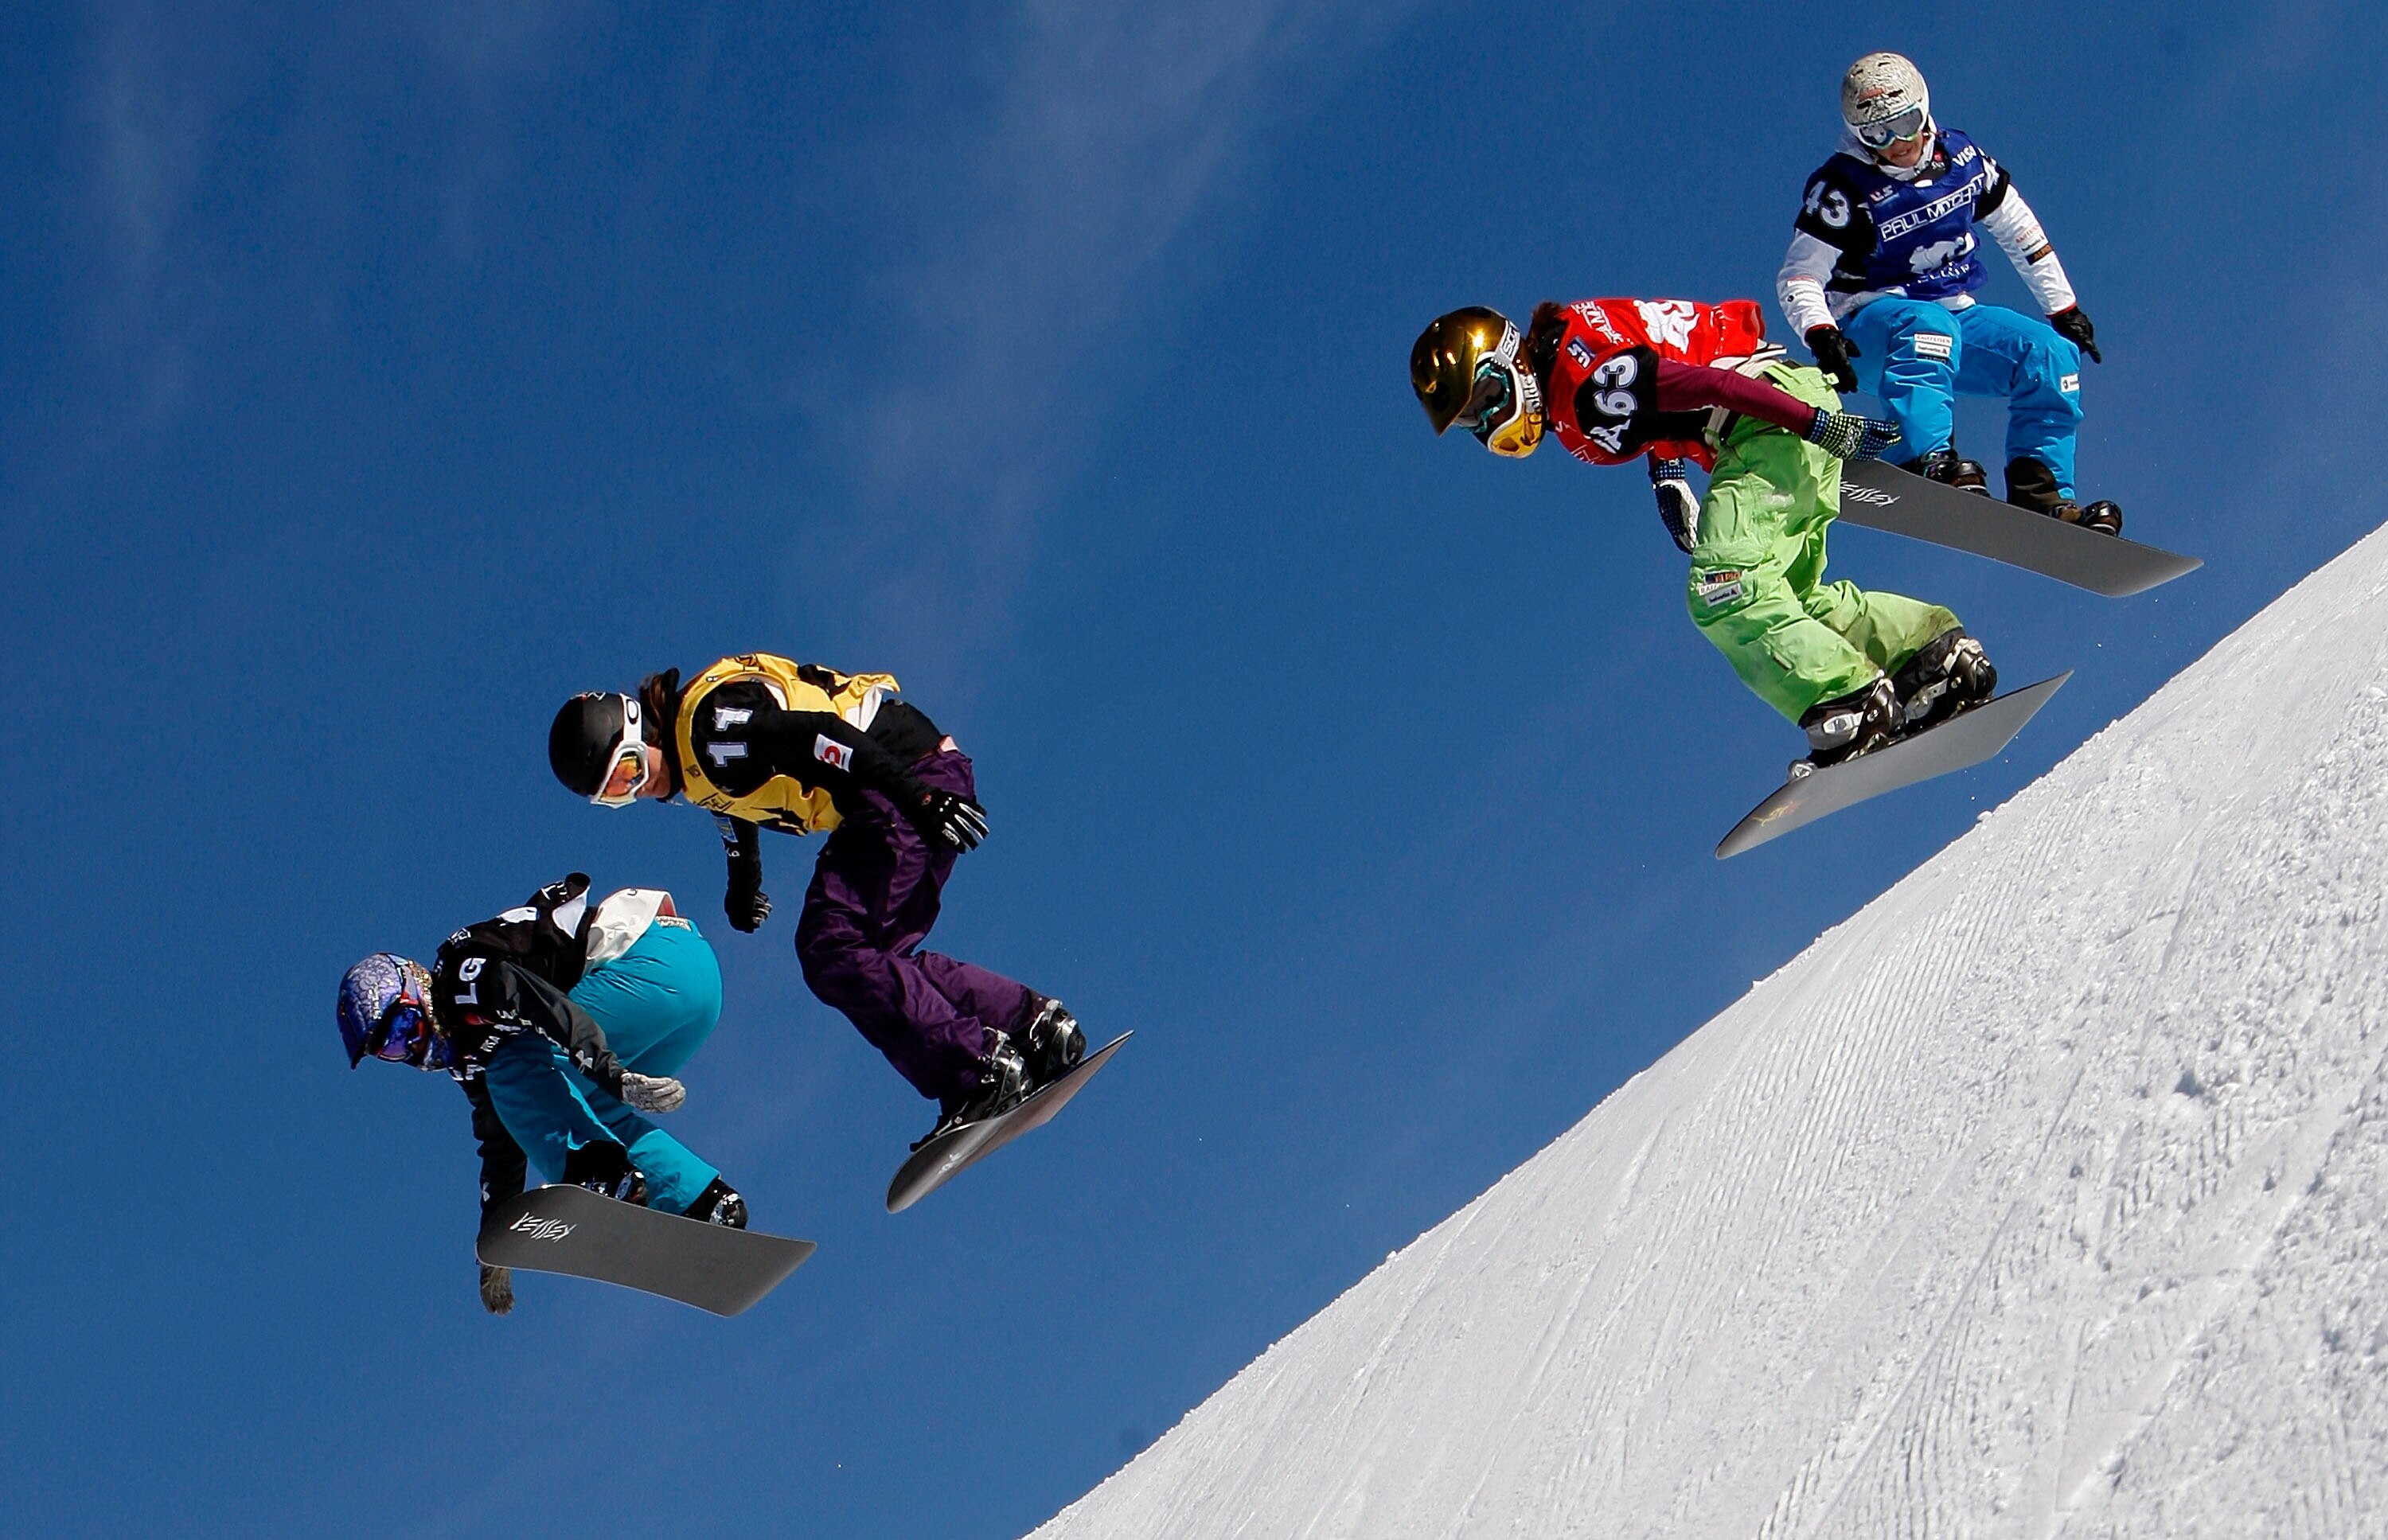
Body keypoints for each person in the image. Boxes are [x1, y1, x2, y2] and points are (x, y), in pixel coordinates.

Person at [1411, 297, 1998, 772]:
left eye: (1487, 398)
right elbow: (1660, 394)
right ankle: (1930, 654)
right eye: (1471, 418)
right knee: (1787, 597)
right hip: (1779, 412)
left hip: (1770, 422)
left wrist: (1819, 425)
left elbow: (1704, 386)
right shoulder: (1576, 345)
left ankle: (1850, 699)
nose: (1489, 421)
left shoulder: (1582, 382)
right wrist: (1666, 475)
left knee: (1725, 588)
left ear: (1510, 356)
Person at [547, 654, 1083, 1150]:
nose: (638, 788)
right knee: (876, 961)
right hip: (919, 778)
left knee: (832, 946)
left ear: (640, 727)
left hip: (903, 783)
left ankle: (980, 1068)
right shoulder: (702, 755)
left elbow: (818, 734)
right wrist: (743, 886)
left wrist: (919, 796)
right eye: (617, 793)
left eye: (630, 768)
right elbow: (733, 807)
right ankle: (1033, 1027)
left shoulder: (710, 729)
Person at [338, 874, 743, 1316]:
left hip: (649, 966)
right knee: (580, 1102)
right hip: (696, 984)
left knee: (517, 1064)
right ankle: (703, 1198)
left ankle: (599, 1171)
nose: (411, 1049)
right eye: (392, 1051)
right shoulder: (475, 1054)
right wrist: (499, 1238)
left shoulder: (460, 981)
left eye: (402, 1029)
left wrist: (607, 1070)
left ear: (415, 984)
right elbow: (504, 1136)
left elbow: (541, 1004)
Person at [1778, 51, 2121, 534]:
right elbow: (1798, 275)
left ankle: (2041, 494)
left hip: (1953, 316)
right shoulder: (1842, 188)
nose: (1897, 143)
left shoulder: (1962, 159)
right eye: (1877, 134)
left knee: (2050, 355)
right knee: (1928, 325)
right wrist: (1820, 332)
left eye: (1907, 123)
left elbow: (2017, 226)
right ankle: (1923, 458)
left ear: (1925, 109)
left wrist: (2062, 307)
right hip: (1872, 327)